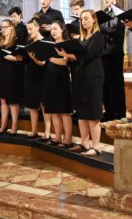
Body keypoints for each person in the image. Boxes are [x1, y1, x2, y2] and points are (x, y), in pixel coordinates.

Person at [56, 10, 105, 155]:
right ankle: (84, 143)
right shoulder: (82, 39)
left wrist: (67, 54)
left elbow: (88, 56)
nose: (83, 21)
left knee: (93, 113)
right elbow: (77, 58)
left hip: (93, 78)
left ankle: (96, 146)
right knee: (82, 112)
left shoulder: (98, 36)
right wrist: (69, 56)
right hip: (80, 78)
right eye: (82, 19)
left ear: (94, 20)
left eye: (86, 19)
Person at [0, 19, 21, 135]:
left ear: (11, 27)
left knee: (12, 100)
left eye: (5, 27)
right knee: (3, 100)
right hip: (1, 71)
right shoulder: (0, 42)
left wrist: (2, 54)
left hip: (12, 72)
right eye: (2, 27)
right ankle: (3, 125)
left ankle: (14, 126)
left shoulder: (16, 42)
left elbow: (16, 58)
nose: (3, 29)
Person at [44, 21, 73, 147]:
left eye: (56, 29)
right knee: (53, 110)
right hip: (50, 78)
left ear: (62, 30)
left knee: (64, 110)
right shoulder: (50, 45)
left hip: (61, 79)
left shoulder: (66, 44)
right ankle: (58, 137)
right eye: (52, 29)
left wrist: (50, 58)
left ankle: (68, 139)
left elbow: (65, 62)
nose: (53, 31)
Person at [100, 0, 126, 121]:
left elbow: (116, 30)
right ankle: (109, 111)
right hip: (103, 52)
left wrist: (100, 27)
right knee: (105, 84)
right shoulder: (104, 12)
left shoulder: (120, 11)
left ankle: (120, 113)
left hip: (115, 52)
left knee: (116, 83)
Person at [22, 18, 46, 138]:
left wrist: (34, 58)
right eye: (27, 29)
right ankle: (34, 130)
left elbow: (44, 62)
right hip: (31, 74)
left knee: (43, 104)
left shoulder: (45, 42)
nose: (29, 31)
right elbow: (25, 60)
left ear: (37, 27)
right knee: (32, 104)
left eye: (31, 29)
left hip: (42, 75)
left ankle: (47, 132)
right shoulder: (29, 43)